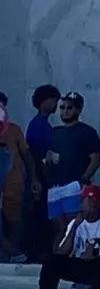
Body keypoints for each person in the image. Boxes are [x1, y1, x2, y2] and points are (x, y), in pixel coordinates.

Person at [45, 92, 100, 246]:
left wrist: (82, 181)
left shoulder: (87, 132)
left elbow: (96, 159)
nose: (65, 111)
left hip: (73, 186)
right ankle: (57, 257)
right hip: (54, 187)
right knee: (57, 228)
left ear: (78, 109)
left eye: (69, 108)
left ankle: (75, 256)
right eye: (62, 108)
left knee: (74, 226)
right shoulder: (55, 131)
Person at [1, 93, 40, 262]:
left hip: (13, 185)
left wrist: (34, 178)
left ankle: (13, 256)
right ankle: (11, 252)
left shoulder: (14, 130)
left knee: (14, 221)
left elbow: (26, 154)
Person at [26, 84, 60, 160]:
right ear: (44, 101)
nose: (56, 104)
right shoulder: (38, 125)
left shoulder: (42, 123)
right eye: (53, 100)